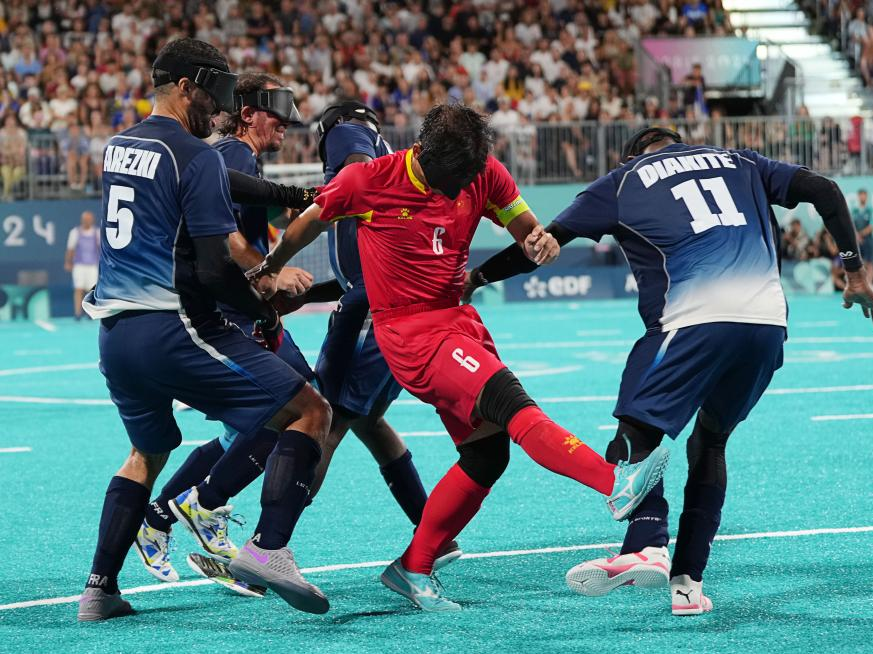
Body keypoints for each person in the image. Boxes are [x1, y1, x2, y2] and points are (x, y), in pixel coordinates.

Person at [250, 104, 670, 611]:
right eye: (450, 180)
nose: (457, 190)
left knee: (487, 455)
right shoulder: (369, 180)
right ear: (422, 153)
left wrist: (538, 243)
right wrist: (271, 266)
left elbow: (525, 228)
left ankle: (414, 567)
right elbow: (311, 221)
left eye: (466, 178)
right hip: (410, 335)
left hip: (458, 322)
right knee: (511, 405)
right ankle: (613, 484)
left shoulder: (481, 169)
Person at [463, 126, 873, 615]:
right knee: (710, 441)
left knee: (633, 434)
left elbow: (539, 246)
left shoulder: (624, 180)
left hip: (693, 319)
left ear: (630, 157)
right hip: (768, 324)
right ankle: (688, 585)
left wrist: (476, 278)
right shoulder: (741, 161)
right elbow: (825, 190)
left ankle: (647, 543)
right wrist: (855, 272)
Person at [78, 38, 332, 622]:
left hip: (114, 336)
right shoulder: (195, 155)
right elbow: (216, 267)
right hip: (176, 327)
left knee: (146, 453)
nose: (219, 108)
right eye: (214, 93)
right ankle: (267, 549)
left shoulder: (119, 146)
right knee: (310, 411)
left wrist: (290, 196)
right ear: (187, 85)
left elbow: (215, 186)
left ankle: (99, 589)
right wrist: (263, 308)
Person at [132, 72, 321, 595]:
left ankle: (164, 515)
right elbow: (228, 234)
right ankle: (199, 507)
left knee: (255, 426)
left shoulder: (238, 156)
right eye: (277, 114)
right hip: (230, 313)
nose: (285, 125)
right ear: (249, 113)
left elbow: (250, 213)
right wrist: (267, 272)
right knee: (293, 411)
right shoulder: (235, 153)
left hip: (233, 310)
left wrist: (284, 213)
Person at [311, 100, 461, 565]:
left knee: (324, 423)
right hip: (393, 309)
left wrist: (340, 192)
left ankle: (268, 544)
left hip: (375, 317)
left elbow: (356, 167)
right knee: (368, 423)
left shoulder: (346, 134)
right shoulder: (396, 163)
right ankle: (434, 534)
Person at [65, 211, 100, 320]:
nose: (87, 221)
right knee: (78, 289)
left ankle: (90, 312)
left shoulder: (97, 233)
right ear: (82, 220)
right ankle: (78, 313)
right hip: (79, 265)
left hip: (92, 265)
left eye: (89, 219)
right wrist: (68, 262)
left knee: (91, 290)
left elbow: (100, 249)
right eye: (85, 219)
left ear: (92, 220)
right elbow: (70, 249)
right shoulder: (75, 232)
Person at [851, 188, 873, 271]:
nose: (862, 197)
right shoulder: (854, 210)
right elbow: (851, 225)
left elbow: (871, 227)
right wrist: (857, 236)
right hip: (857, 241)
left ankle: (870, 279)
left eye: (864, 195)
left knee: (869, 263)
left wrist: (860, 235)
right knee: (859, 263)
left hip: (868, 240)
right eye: (861, 195)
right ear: (858, 196)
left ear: (866, 196)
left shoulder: (870, 210)